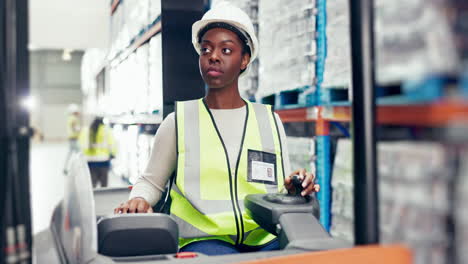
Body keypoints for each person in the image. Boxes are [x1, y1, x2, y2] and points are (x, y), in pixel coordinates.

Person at [114, 1, 319, 255]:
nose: (213, 56)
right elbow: (151, 182)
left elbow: (280, 186)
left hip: (265, 238)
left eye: (226, 50)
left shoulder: (269, 120)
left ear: (244, 59)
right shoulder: (178, 122)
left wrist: (295, 187)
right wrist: (140, 199)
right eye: (206, 49)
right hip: (204, 242)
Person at [79, 116, 116, 188]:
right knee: (104, 186)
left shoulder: (86, 130)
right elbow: (112, 144)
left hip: (90, 162)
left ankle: (94, 198)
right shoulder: (106, 130)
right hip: (103, 161)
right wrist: (113, 154)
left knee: (92, 184)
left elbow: (81, 145)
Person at [63, 104, 81, 174]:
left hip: (71, 138)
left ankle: (65, 167)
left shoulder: (70, 118)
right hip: (74, 139)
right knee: (80, 153)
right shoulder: (73, 118)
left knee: (70, 154)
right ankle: (78, 169)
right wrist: (79, 130)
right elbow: (74, 127)